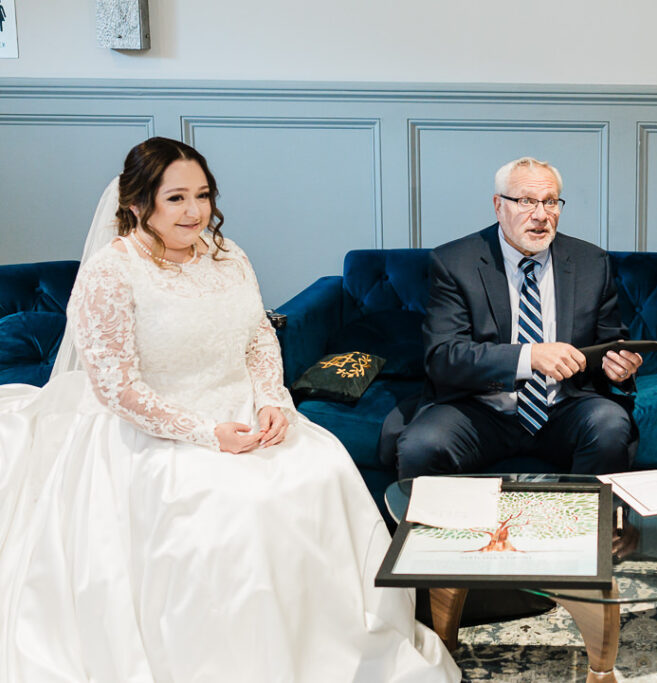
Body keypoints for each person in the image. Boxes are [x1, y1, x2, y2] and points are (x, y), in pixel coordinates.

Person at [0, 137, 459, 682]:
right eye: (175, 199)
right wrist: (207, 434)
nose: (195, 212)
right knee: (239, 504)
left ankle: (328, 642)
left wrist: (271, 400)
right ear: (137, 204)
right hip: (154, 424)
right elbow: (116, 389)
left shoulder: (226, 254)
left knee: (324, 467)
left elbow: (259, 338)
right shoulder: (111, 273)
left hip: (241, 405)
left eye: (203, 195)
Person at [388, 157, 643, 479]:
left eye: (550, 202)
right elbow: (443, 357)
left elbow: (609, 342)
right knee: (422, 445)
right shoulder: (455, 262)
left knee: (609, 424)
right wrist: (529, 356)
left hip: (564, 408)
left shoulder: (591, 262)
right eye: (526, 201)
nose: (540, 215)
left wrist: (618, 369)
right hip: (479, 409)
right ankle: (436, 530)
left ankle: (585, 527)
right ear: (498, 205)